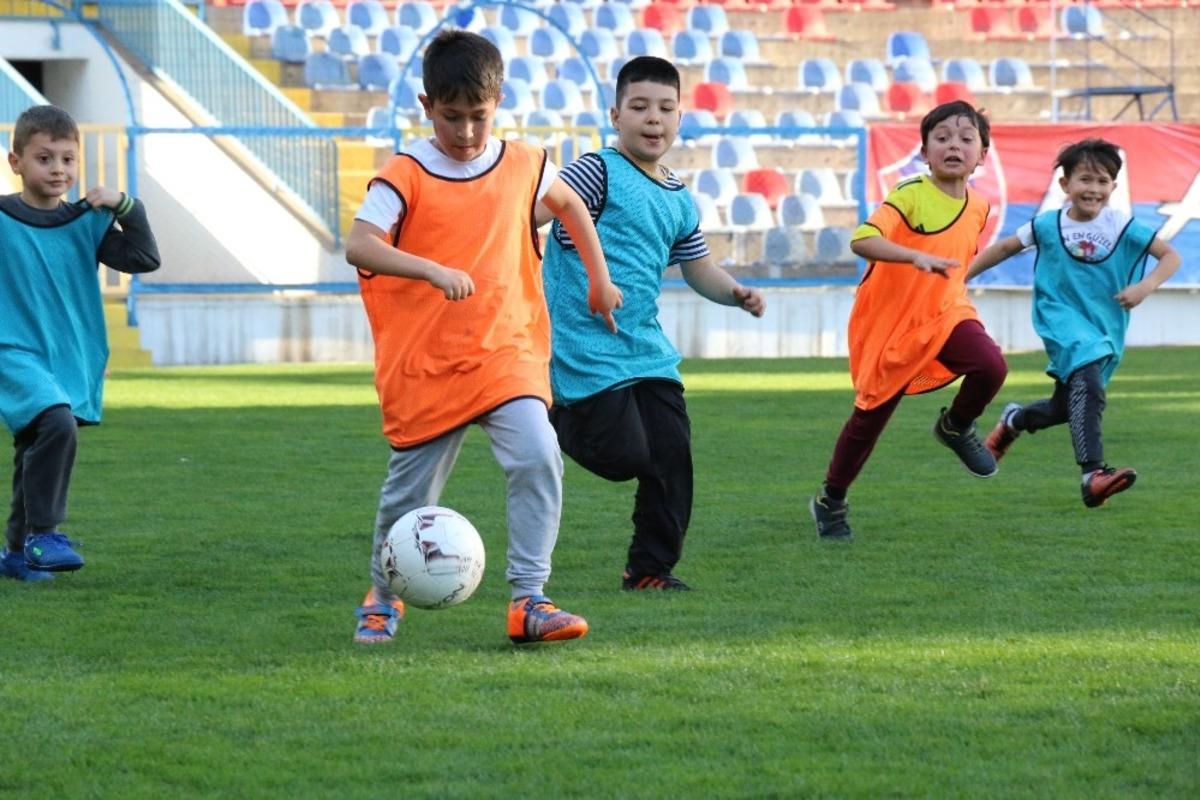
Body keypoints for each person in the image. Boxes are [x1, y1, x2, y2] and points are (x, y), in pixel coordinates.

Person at [344, 30, 622, 645]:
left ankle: (529, 600)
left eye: (479, 115)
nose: (466, 131)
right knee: (408, 498)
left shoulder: (525, 164)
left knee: (539, 455)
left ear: (497, 103)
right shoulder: (404, 175)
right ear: (426, 106)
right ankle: (382, 597)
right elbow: (359, 245)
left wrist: (600, 282)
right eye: (451, 116)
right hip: (427, 364)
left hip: (505, 352)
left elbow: (572, 207)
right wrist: (430, 269)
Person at [539, 56, 765, 591]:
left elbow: (698, 268)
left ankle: (648, 571)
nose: (653, 118)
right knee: (624, 457)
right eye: (639, 107)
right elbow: (534, 214)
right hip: (583, 345)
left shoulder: (679, 197)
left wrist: (734, 293)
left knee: (671, 455)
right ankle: (544, 410)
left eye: (665, 108)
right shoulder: (594, 171)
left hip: (646, 347)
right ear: (616, 115)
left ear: (680, 118)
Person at [809, 100, 1008, 540]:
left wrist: (948, 281)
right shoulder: (910, 194)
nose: (953, 145)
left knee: (991, 366)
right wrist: (913, 256)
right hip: (892, 326)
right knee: (869, 421)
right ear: (923, 152)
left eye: (965, 138)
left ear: (982, 155)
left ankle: (955, 425)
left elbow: (956, 262)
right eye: (942, 138)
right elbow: (863, 240)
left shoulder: (979, 206)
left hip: (947, 314)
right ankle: (831, 500)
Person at [968, 138, 1181, 508]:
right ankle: (1093, 475)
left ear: (1113, 187)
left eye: (1102, 181)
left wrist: (1144, 287)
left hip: (1105, 327)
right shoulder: (1047, 225)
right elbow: (1004, 248)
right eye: (1085, 179)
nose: (1093, 189)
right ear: (1065, 184)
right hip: (1060, 319)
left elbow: (1170, 257)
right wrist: (960, 277)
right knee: (1090, 386)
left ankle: (1015, 421)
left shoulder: (1122, 226)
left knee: (1066, 408)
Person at [0, 104, 160, 581]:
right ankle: (45, 535)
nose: (58, 169)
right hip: (12, 351)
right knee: (57, 423)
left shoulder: (86, 222)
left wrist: (127, 206)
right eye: (44, 158)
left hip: (67, 355)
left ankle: (16, 555)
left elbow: (143, 258)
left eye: (68, 159)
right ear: (16, 162)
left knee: (36, 441)